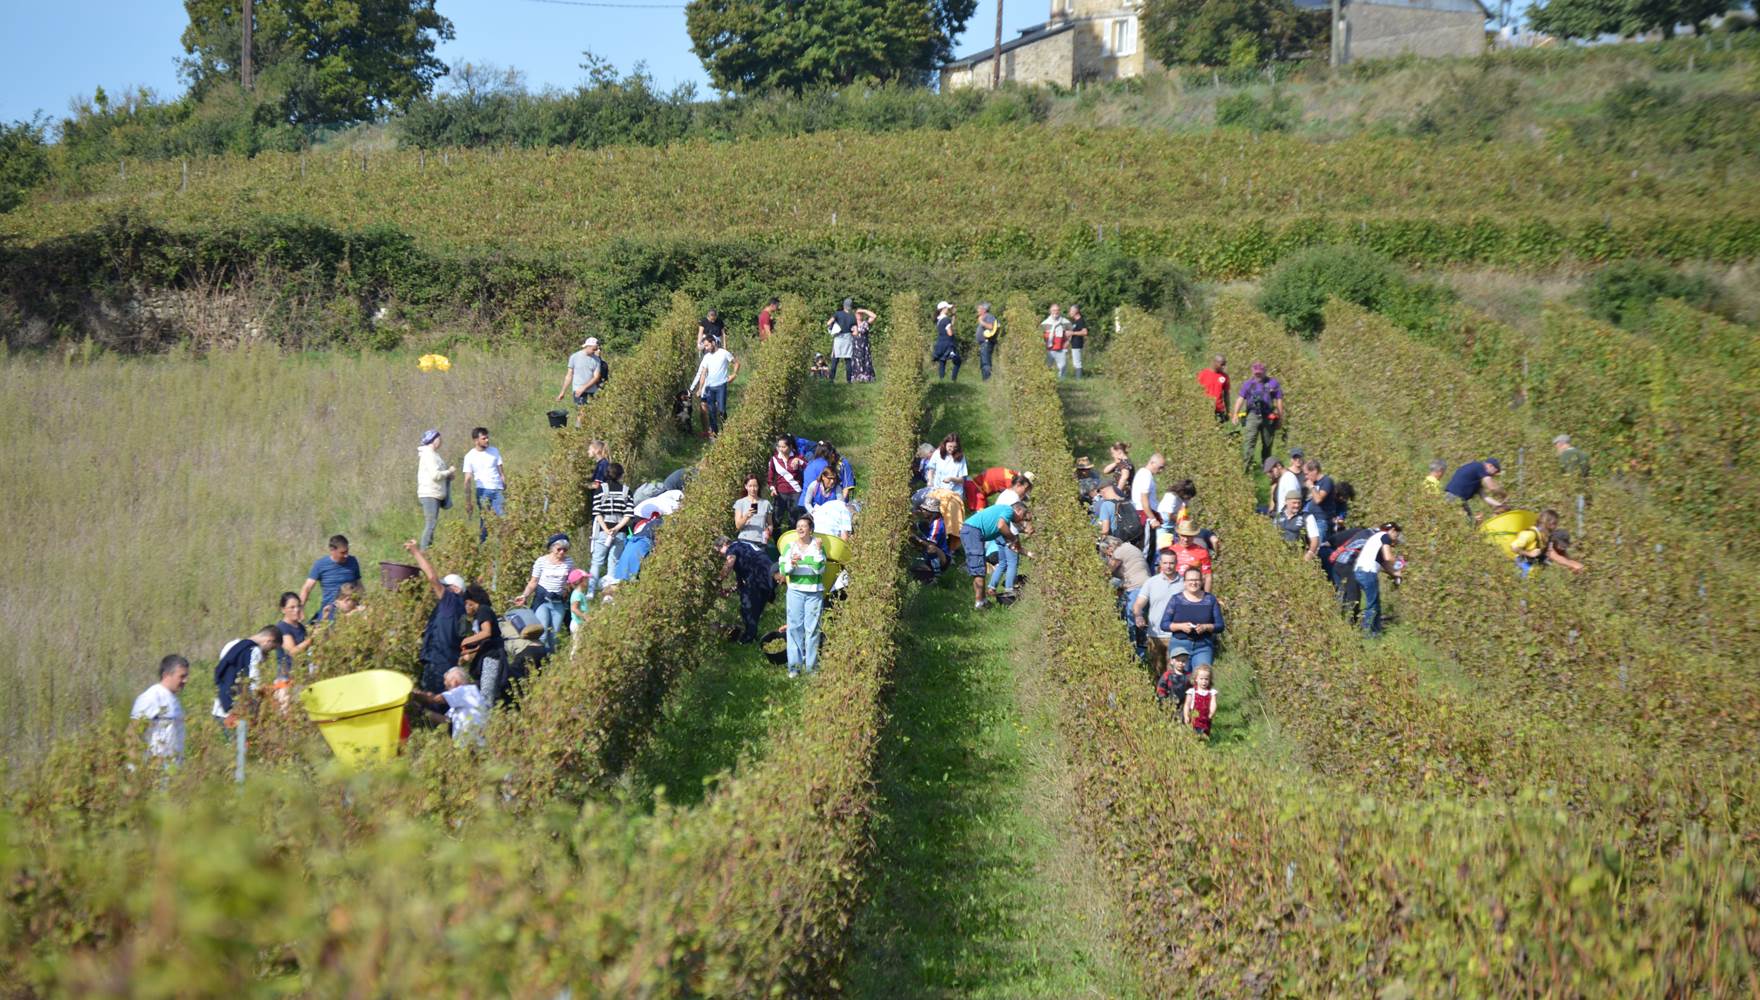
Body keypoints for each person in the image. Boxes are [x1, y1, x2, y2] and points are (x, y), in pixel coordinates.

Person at [404, 540, 467, 693]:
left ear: (456, 589)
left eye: (446, 586)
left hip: (438, 662)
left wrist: (415, 551)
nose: (441, 589)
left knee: (432, 701)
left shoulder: (451, 601)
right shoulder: (462, 611)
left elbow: (432, 577)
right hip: (449, 662)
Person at [780, 515, 828, 677]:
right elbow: (782, 569)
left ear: (811, 529)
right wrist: (792, 564)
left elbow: (820, 569)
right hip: (795, 591)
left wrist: (817, 554)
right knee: (794, 628)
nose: (800, 528)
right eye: (798, 526)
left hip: (814, 592)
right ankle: (794, 667)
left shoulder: (818, 546)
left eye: (804, 526)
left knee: (812, 630)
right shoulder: (790, 546)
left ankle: (811, 667)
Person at [514, 533, 575, 652]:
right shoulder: (541, 561)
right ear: (552, 548)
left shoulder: (569, 562)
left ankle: (550, 661)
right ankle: (538, 660)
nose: (562, 552)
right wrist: (524, 595)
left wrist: (571, 590)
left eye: (565, 550)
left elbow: (572, 580)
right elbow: (533, 582)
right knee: (542, 633)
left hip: (558, 602)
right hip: (542, 601)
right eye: (559, 549)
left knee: (554, 636)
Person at [960, 501, 1025, 610]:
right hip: (972, 531)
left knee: (981, 568)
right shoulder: (1008, 510)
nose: (1022, 520)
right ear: (1018, 510)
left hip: (972, 532)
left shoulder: (1006, 521)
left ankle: (983, 600)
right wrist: (1014, 538)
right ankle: (979, 603)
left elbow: (1011, 546)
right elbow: (1001, 526)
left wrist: (1030, 554)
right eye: (1023, 516)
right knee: (978, 569)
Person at [213, 626, 280, 727]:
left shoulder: (231, 644)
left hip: (220, 706)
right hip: (237, 711)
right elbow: (254, 686)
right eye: (272, 648)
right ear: (269, 640)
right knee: (243, 742)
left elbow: (222, 672)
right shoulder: (254, 651)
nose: (269, 653)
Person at [131, 654, 190, 766]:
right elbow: (133, 734)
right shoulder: (151, 698)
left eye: (186, 676)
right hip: (155, 770)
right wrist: (134, 769)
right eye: (182, 676)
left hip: (173, 769)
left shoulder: (174, 700)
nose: (185, 680)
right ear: (167, 675)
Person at [1160, 565, 1225, 666]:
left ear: (1202, 581)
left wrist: (1206, 627)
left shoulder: (1210, 600)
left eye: (1196, 580)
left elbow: (1220, 626)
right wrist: (1180, 626)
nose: (1193, 583)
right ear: (1184, 582)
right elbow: (1164, 624)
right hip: (1179, 645)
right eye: (1190, 580)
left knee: (1202, 678)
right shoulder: (1176, 600)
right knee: (1180, 680)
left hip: (1203, 646)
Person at [717, 535, 778, 644]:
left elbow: (729, 564)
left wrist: (717, 581)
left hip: (758, 577)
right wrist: (731, 590)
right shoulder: (743, 546)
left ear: (725, 544)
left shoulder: (733, 548)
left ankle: (748, 639)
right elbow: (743, 582)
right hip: (769, 577)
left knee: (747, 609)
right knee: (755, 609)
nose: (719, 554)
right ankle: (752, 636)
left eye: (718, 550)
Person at [587, 462, 633, 600]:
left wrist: (606, 528)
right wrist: (617, 528)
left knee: (596, 562)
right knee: (614, 562)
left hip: (603, 531)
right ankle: (609, 596)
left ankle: (590, 592)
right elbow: (629, 514)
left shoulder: (600, 490)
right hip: (620, 532)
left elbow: (597, 512)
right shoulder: (626, 490)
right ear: (620, 475)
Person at [409, 666, 488, 747]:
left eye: (447, 685)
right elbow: (446, 721)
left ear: (455, 682)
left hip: (471, 745)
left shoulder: (465, 690)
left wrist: (413, 695)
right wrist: (421, 710)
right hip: (470, 746)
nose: (446, 689)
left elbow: (435, 699)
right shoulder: (465, 698)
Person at [1132, 552, 1183, 671]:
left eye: (1171, 563)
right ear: (1160, 564)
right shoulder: (1151, 582)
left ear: (1176, 564)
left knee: (1174, 674)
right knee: (1156, 673)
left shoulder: (1184, 583)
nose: (1168, 566)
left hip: (1177, 636)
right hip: (1155, 635)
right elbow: (1138, 604)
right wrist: (1138, 615)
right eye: (1165, 563)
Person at [1232, 362, 1285, 474]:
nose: (1258, 375)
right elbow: (1240, 399)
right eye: (1256, 373)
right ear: (1252, 372)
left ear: (1265, 372)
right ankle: (1246, 469)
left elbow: (1279, 400)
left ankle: (1266, 469)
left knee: (1267, 444)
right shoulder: (1248, 384)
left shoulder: (1273, 383)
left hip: (1268, 416)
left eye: (1260, 373)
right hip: (1252, 415)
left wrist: (1280, 418)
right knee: (1249, 442)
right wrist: (1235, 414)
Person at [1104, 535, 1152, 656]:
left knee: (1133, 624)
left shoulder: (1119, 551)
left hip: (1136, 589)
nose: (1108, 554)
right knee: (1142, 622)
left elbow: (1106, 572)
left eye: (1107, 552)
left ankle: (1137, 656)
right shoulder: (1131, 547)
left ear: (1110, 547)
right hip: (1146, 585)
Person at [1353, 522, 1403, 638]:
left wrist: (1397, 574)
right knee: (1372, 605)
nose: (1396, 538)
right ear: (1393, 530)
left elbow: (1384, 564)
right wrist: (1400, 563)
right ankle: (1368, 634)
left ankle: (1376, 632)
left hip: (1361, 571)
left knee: (1376, 603)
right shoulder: (1385, 536)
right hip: (1367, 572)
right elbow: (1388, 557)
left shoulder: (1377, 538)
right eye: (1397, 534)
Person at [460, 583, 506, 703]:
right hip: (487, 654)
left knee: (487, 694)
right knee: (484, 691)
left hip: (492, 656)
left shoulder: (483, 610)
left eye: (465, 604)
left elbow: (487, 633)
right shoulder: (478, 616)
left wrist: (464, 641)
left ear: (470, 602)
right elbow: (482, 642)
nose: (464, 609)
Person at [298, 534, 361, 622]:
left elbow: (359, 584)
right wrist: (300, 609)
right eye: (342, 553)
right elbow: (307, 587)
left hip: (350, 609)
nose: (346, 555)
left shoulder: (353, 561)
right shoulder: (320, 565)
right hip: (329, 611)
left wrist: (364, 603)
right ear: (332, 550)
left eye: (347, 551)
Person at [688, 337, 740, 438]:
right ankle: (715, 434)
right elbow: (703, 373)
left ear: (713, 343)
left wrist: (734, 375)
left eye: (707, 345)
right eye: (705, 346)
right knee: (711, 411)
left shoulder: (724, 353)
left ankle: (726, 430)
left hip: (721, 386)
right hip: (709, 387)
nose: (706, 348)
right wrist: (699, 389)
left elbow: (736, 363)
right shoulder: (707, 357)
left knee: (721, 410)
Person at [461, 426, 506, 543]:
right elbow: (467, 480)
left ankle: (504, 546)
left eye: (487, 438)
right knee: (485, 521)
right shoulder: (469, 456)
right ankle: (482, 546)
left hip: (497, 490)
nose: (487, 440)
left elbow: (501, 470)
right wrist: (468, 501)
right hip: (483, 491)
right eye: (484, 438)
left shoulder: (494, 451)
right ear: (476, 441)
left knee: (503, 518)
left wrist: (503, 482)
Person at [1510, 509, 1586, 576]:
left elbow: (1557, 556)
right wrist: (1529, 553)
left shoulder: (1546, 536)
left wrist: (1573, 565)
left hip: (1534, 567)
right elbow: (1513, 547)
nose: (1556, 527)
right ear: (1548, 523)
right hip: (1522, 567)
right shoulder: (1529, 534)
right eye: (1555, 524)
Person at [416, 429, 455, 550]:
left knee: (432, 524)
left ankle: (429, 551)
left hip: (435, 493)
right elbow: (435, 475)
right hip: (429, 493)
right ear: (433, 440)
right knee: (430, 524)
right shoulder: (428, 454)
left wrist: (448, 476)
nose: (441, 441)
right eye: (439, 438)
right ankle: (424, 553)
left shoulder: (433, 454)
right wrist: (449, 471)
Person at [1443, 458, 1506, 524]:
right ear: (1490, 466)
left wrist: (1500, 505)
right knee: (1467, 523)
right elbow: (1492, 487)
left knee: (1470, 523)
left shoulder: (1476, 478)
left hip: (1456, 498)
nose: (1494, 475)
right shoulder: (1480, 466)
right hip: (1454, 498)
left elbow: (1485, 497)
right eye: (1495, 472)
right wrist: (1504, 494)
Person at [1164, 522, 1214, 592]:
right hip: (1172, 589)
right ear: (1178, 535)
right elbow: (1163, 573)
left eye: (1189, 536)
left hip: (1193, 590)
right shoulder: (1171, 550)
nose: (1186, 539)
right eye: (1183, 536)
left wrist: (1207, 597)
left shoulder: (1202, 552)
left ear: (1194, 535)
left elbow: (1208, 576)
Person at [273, 592, 312, 679]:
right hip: (287, 677)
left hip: (302, 674)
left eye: (299, 606)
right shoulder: (281, 628)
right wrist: (310, 640)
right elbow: (293, 652)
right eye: (292, 607)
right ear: (283, 609)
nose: (297, 610)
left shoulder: (301, 626)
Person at [767, 437, 806, 524]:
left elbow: (807, 467)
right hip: (780, 493)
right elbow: (770, 476)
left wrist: (799, 461)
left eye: (784, 447)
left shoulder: (798, 457)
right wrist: (772, 488)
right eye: (779, 447)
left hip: (795, 492)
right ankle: (777, 537)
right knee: (776, 518)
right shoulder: (774, 459)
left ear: (790, 446)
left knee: (794, 519)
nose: (781, 449)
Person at [559, 337, 605, 406]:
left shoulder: (597, 360)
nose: (595, 351)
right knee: (581, 414)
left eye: (596, 349)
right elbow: (569, 375)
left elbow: (596, 377)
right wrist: (562, 392)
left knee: (590, 414)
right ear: (588, 346)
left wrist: (584, 387)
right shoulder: (574, 357)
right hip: (578, 390)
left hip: (591, 391)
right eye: (594, 349)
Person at [1132, 453, 1167, 541]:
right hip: (1145, 514)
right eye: (1160, 467)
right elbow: (1144, 500)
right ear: (1152, 463)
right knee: (1148, 547)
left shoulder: (1143, 473)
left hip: (1145, 513)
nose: (1161, 471)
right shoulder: (1146, 475)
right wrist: (1152, 519)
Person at [734, 473, 773, 549]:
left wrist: (768, 532)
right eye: (750, 486)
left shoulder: (766, 503)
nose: (753, 489)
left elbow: (770, 524)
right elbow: (738, 526)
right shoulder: (740, 503)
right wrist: (746, 516)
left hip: (761, 542)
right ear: (746, 487)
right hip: (745, 540)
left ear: (758, 487)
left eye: (755, 486)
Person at [826, 299, 858, 383]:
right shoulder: (852, 316)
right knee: (848, 360)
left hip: (838, 338)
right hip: (848, 338)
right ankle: (848, 380)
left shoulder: (838, 314)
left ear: (844, 305)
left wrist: (832, 329)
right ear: (851, 306)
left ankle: (831, 379)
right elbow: (855, 332)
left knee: (835, 359)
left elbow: (829, 323)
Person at [1182, 666, 1216, 737]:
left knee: (1205, 735)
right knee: (1195, 735)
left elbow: (1213, 703)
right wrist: (1186, 715)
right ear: (1196, 679)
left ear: (1209, 680)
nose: (1204, 681)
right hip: (1194, 719)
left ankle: (1203, 745)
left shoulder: (1211, 692)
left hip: (1206, 718)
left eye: (1206, 679)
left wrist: (1212, 713)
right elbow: (1187, 705)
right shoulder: (1192, 691)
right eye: (1201, 679)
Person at [932, 301, 962, 381]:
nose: (948, 310)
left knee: (942, 361)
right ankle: (953, 379)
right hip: (948, 344)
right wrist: (952, 331)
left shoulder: (939, 319)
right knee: (957, 361)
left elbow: (949, 324)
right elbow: (950, 333)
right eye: (947, 308)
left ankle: (941, 380)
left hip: (940, 343)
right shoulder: (946, 319)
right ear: (943, 309)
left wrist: (953, 315)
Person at [1041, 303, 1072, 378]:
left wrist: (1068, 342)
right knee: (1047, 367)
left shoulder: (1065, 322)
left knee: (1062, 367)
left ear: (1059, 311)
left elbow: (1071, 332)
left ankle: (1062, 382)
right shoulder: (1045, 323)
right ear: (1050, 311)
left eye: (1057, 310)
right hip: (1049, 349)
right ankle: (1047, 382)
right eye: (1054, 310)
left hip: (1061, 348)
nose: (1056, 312)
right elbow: (1040, 335)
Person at [1197, 355, 1230, 424]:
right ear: (1215, 363)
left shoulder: (1225, 377)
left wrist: (1228, 411)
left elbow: (1226, 394)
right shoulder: (1203, 374)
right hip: (1205, 409)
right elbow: (1196, 391)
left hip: (1219, 409)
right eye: (1222, 364)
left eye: (1225, 364)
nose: (1224, 367)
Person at [849, 305, 878, 382]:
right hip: (855, 346)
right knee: (856, 361)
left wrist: (863, 310)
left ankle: (866, 378)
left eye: (861, 314)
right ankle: (856, 378)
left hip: (864, 346)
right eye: (858, 314)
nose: (859, 315)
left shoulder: (865, 323)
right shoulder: (851, 324)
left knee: (865, 360)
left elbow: (874, 316)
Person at [975, 301, 1000, 380]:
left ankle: (987, 380)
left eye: (979, 308)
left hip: (987, 342)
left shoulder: (989, 316)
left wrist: (981, 322)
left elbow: (991, 326)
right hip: (984, 343)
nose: (977, 310)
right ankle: (986, 379)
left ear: (984, 309)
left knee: (986, 362)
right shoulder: (985, 316)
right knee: (983, 362)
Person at [1066, 304, 1088, 378]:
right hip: (1074, 344)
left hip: (1078, 344)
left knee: (1077, 363)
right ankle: (1079, 378)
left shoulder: (1080, 320)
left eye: (1071, 310)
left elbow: (1085, 332)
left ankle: (1079, 380)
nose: (1069, 312)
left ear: (1076, 311)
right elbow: (1074, 333)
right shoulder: (1075, 321)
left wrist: (1072, 333)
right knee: (1076, 362)